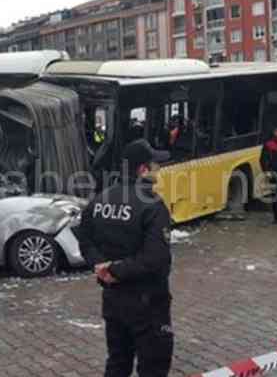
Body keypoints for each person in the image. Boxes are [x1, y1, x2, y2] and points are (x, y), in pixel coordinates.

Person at [78, 139, 173, 377]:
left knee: (118, 363)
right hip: (148, 303)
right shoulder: (152, 205)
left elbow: (84, 239)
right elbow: (155, 259)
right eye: (154, 165)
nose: (158, 170)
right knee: (154, 366)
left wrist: (100, 266)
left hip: (113, 300)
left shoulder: (101, 198)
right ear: (143, 170)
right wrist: (116, 269)